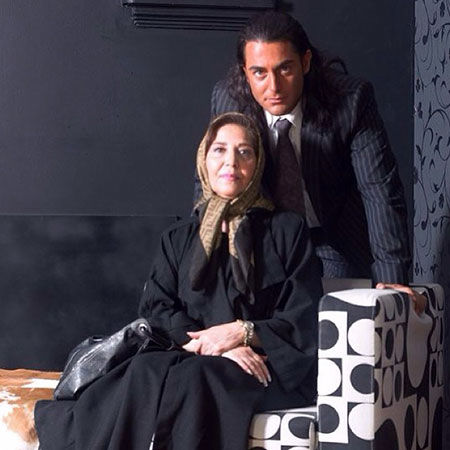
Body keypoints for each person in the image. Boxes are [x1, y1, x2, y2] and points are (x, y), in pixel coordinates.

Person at [35, 112, 322, 450]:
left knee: (195, 378)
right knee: (143, 371)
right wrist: (212, 345)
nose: (231, 161)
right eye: (220, 150)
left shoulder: (287, 232)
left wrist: (241, 333)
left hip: (263, 365)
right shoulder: (178, 238)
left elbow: (303, 316)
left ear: (257, 164)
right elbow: (157, 308)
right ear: (204, 160)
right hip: (190, 354)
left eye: (244, 152)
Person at [199, 11, 419, 297]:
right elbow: (209, 180)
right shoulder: (229, 101)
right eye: (259, 73)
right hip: (262, 236)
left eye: (285, 69)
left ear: (305, 62)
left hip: (333, 236)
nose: (274, 87)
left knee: (335, 316)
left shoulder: (351, 101)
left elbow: (380, 190)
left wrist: (393, 282)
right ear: (245, 72)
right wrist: (205, 258)